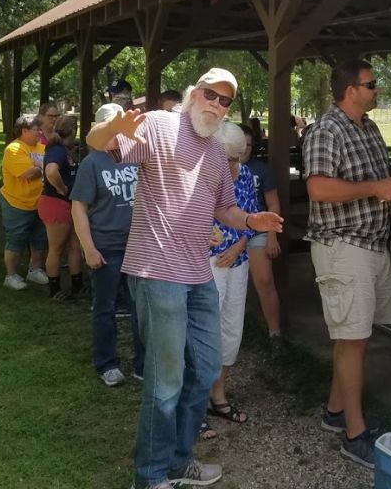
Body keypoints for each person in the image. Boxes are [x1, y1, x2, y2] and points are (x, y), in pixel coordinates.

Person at [86, 67, 283, 489]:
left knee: (207, 367)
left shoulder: (215, 152)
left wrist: (251, 218)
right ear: (195, 94)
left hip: (197, 273)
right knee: (166, 378)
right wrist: (111, 126)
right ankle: (151, 476)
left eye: (225, 100)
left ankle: (179, 461)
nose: (216, 104)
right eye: (210, 94)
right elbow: (99, 144)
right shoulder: (159, 125)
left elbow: (224, 210)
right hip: (156, 270)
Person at [303, 58, 391, 470]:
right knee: (353, 341)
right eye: (371, 85)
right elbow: (317, 188)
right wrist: (375, 187)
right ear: (350, 90)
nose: (376, 90)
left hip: (371, 245)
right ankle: (355, 433)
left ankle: (335, 412)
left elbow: (375, 180)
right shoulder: (326, 130)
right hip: (342, 246)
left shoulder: (368, 128)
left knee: (356, 337)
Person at [71, 103, 144, 387]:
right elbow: (79, 208)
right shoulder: (92, 163)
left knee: (141, 308)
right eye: (110, 126)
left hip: (138, 246)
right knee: (105, 307)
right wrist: (89, 248)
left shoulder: (136, 156)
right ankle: (106, 363)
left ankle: (142, 363)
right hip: (106, 247)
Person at [202, 122, 258, 438]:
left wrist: (240, 242)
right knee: (203, 332)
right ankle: (194, 409)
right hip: (207, 263)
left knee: (230, 331)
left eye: (237, 159)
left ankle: (218, 397)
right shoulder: (200, 175)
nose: (233, 167)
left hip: (237, 261)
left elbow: (251, 215)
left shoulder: (246, 174)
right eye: (227, 160)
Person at [239, 124, 282, 342]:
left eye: (249, 145)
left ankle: (275, 334)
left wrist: (272, 236)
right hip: (229, 233)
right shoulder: (219, 167)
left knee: (265, 281)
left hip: (258, 232)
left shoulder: (261, 169)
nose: (245, 149)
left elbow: (273, 204)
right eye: (241, 145)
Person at [0, 114, 49, 290]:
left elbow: (49, 168)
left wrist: (40, 168)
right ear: (24, 130)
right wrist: (44, 168)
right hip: (17, 203)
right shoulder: (14, 149)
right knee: (16, 238)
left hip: (40, 202)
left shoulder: (43, 147)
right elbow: (27, 174)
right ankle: (11, 275)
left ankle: (35, 270)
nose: (40, 133)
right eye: (37, 130)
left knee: (40, 238)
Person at [38, 114, 82, 299]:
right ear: (72, 130)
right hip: (56, 202)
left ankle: (77, 286)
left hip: (69, 203)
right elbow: (50, 171)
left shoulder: (66, 149)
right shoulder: (57, 150)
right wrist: (62, 188)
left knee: (75, 245)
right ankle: (54, 289)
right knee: (56, 247)